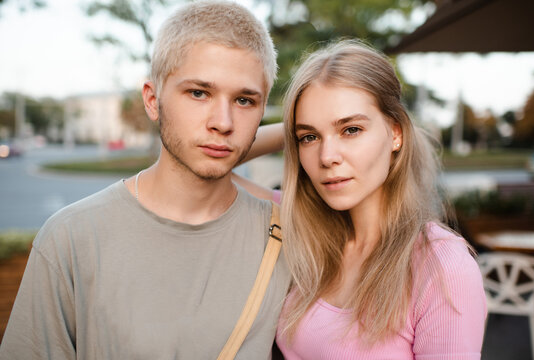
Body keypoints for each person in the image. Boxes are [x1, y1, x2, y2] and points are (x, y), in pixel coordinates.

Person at [0, 2, 290, 359]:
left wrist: (299, 129)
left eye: (245, 100)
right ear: (153, 101)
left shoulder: (288, 237)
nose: (223, 122)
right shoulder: (72, 237)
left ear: (262, 110)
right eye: (199, 93)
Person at [241, 40, 487, 359]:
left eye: (351, 129)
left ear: (395, 132)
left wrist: (311, 128)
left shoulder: (441, 268)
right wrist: (289, 129)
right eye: (309, 137)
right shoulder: (304, 229)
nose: (327, 157)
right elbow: (213, 168)